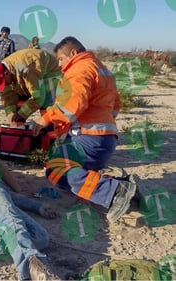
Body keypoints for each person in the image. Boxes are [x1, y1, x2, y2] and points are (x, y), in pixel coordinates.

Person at [31, 36, 136, 223]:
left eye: (61, 59)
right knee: (75, 169)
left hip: (88, 136)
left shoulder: (79, 69)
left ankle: (114, 192)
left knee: (56, 169)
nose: (61, 65)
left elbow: (71, 106)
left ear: (73, 53)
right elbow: (116, 105)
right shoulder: (102, 69)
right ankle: (124, 187)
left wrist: (44, 119)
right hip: (106, 139)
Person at [0, 48, 61, 126]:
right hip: (28, 75)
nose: (5, 84)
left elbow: (38, 97)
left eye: (4, 82)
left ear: (6, 73)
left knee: (46, 106)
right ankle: (19, 130)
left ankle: (52, 130)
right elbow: (7, 95)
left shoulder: (26, 68)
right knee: (17, 102)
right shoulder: (3, 69)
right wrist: (10, 114)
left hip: (50, 73)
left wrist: (21, 114)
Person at [0, 26, 16, 99]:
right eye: (2, 32)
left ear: (8, 33)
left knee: (5, 78)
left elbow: (12, 53)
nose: (3, 34)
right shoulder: (0, 42)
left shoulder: (10, 42)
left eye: (5, 32)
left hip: (6, 63)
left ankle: (4, 93)